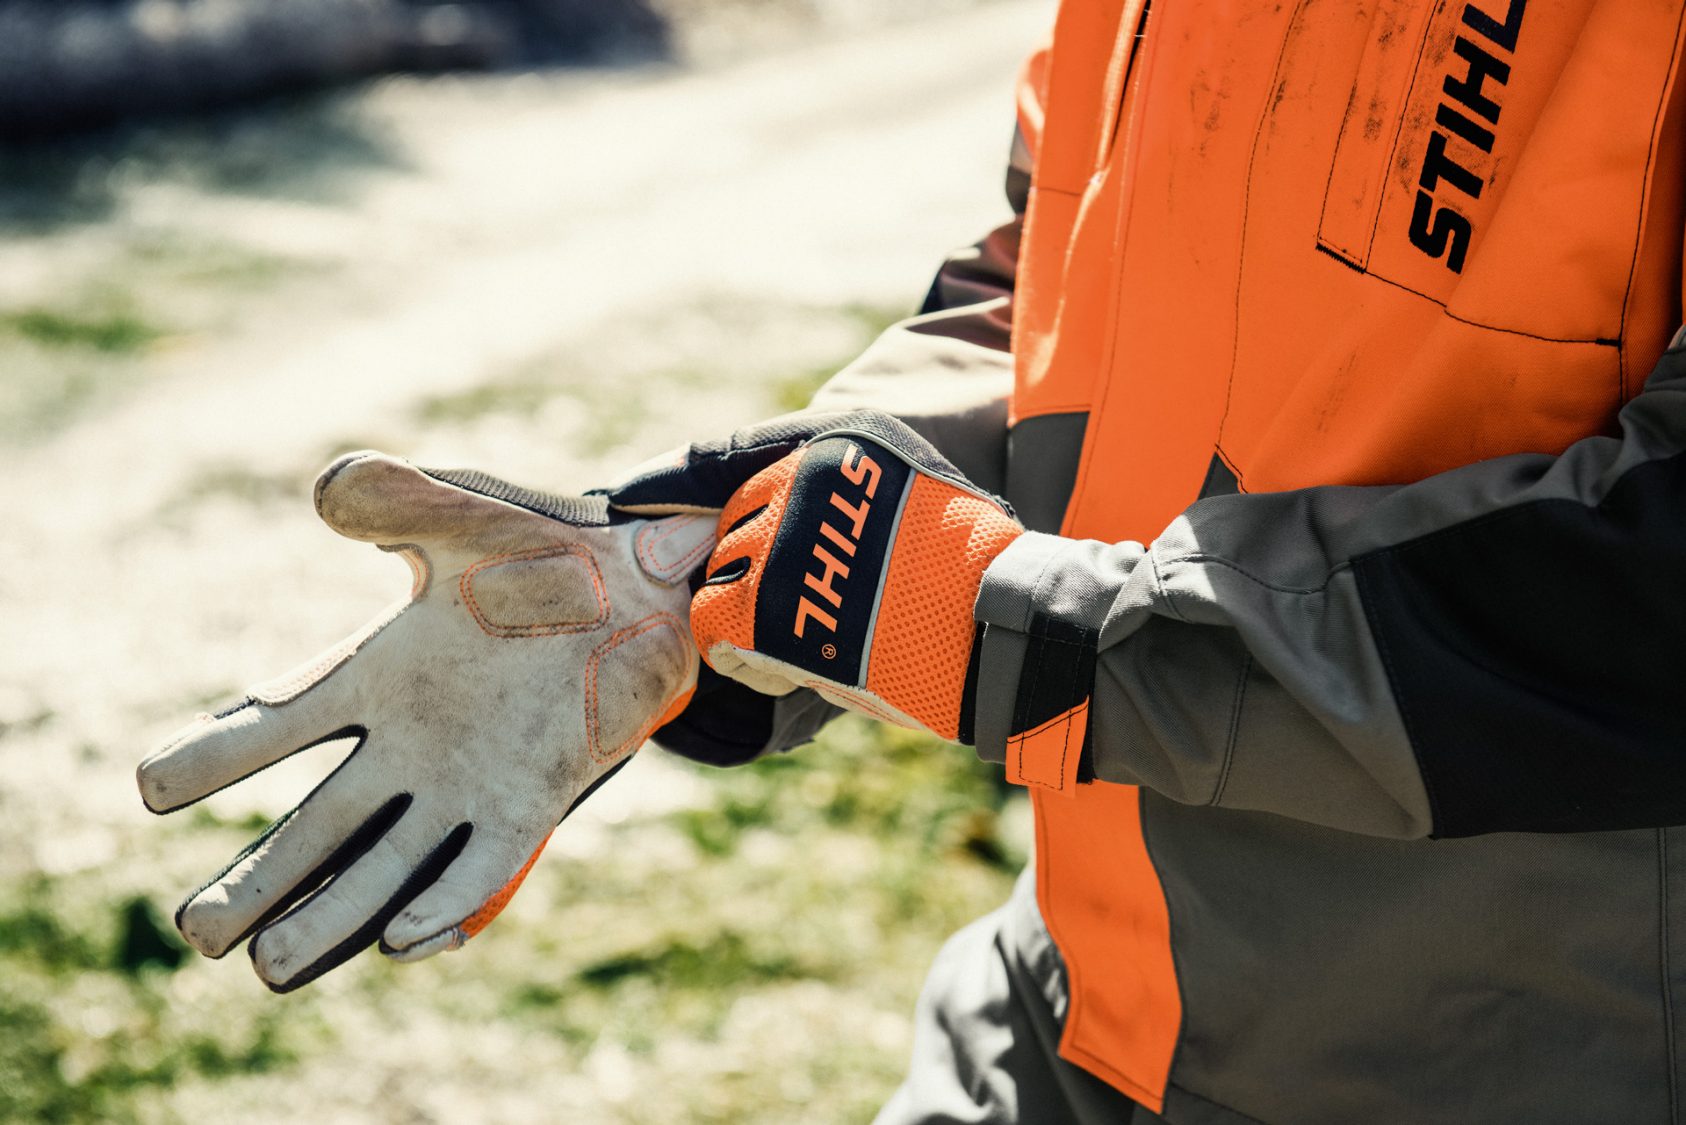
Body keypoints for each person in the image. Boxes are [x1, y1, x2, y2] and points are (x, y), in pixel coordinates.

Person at [140, 1, 1686, 1120]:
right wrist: (735, 543)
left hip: (1515, 1058)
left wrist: (1028, 634)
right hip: (1075, 1014)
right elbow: (1056, 289)